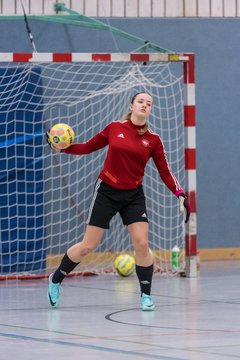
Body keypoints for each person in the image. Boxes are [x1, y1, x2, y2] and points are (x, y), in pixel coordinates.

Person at [46, 92, 190, 311]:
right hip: (106, 191)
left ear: (150, 110)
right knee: (88, 246)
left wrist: (180, 193)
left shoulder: (153, 140)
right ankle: (55, 279)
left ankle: (146, 296)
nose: (144, 105)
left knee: (142, 244)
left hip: (133, 195)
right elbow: (87, 147)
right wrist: (62, 148)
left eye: (148, 104)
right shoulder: (114, 128)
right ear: (132, 105)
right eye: (141, 101)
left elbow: (165, 172)